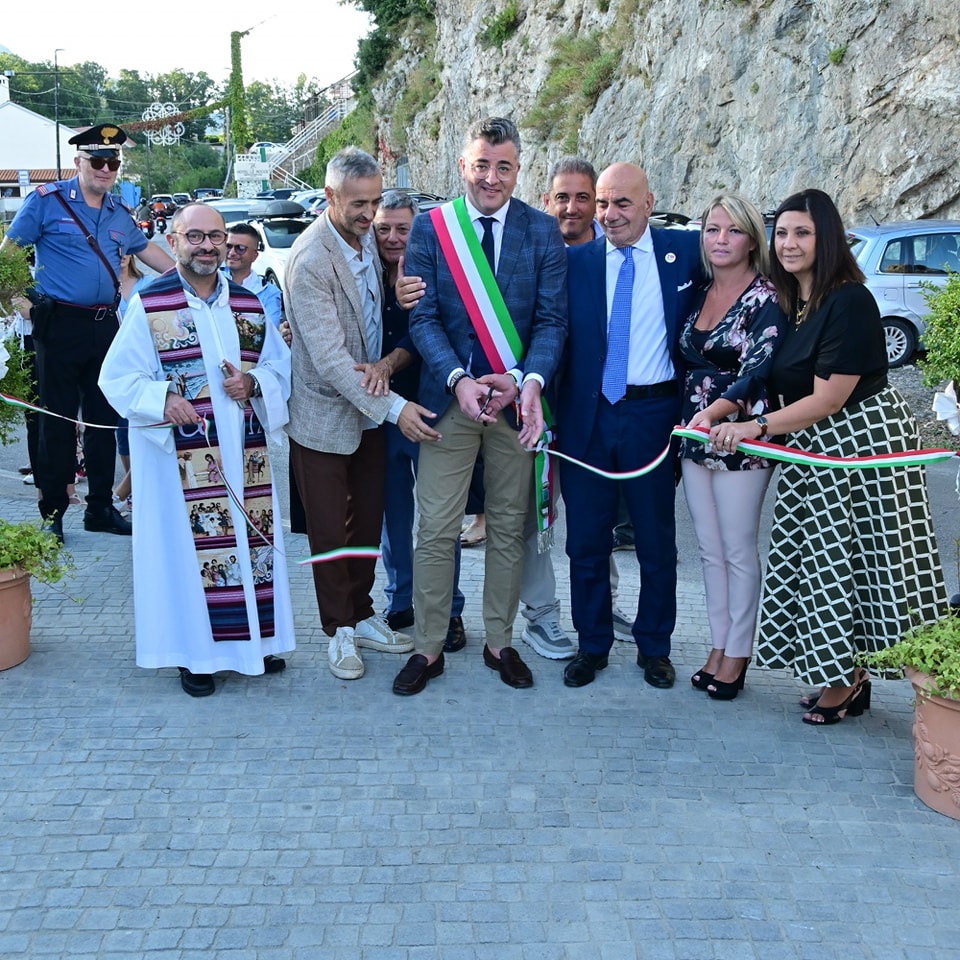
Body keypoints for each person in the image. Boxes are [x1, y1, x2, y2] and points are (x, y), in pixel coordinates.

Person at [710, 188, 948, 723]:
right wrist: (721, 411)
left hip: (860, 443)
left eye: (803, 233)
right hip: (814, 443)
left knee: (859, 562)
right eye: (782, 233)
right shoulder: (794, 300)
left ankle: (855, 681)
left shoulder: (848, 299)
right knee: (824, 561)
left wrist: (753, 427)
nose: (789, 243)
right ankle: (845, 673)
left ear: (829, 239)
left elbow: (830, 398)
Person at [392, 116, 567, 695]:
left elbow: (552, 320)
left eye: (504, 167)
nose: (492, 178)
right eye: (482, 165)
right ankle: (428, 648)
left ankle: (500, 642)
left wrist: (525, 380)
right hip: (451, 401)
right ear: (463, 165)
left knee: (510, 527)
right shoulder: (432, 228)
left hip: (515, 403)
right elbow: (422, 318)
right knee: (436, 528)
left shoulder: (542, 231)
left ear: (518, 170)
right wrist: (458, 380)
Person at [99, 202, 294, 697]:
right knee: (192, 556)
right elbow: (116, 377)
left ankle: (255, 643)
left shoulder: (248, 305)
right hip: (179, 464)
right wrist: (163, 399)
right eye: (195, 237)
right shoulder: (151, 304)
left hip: (244, 455)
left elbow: (280, 368)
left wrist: (254, 383)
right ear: (173, 241)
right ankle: (196, 656)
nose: (207, 246)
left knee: (249, 545)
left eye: (216, 236)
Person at [284, 147, 438, 681]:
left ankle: (363, 613)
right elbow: (330, 361)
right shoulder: (310, 260)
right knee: (330, 533)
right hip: (324, 417)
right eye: (358, 204)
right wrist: (396, 408)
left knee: (367, 524)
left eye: (374, 202)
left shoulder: (366, 237)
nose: (370, 215)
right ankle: (338, 632)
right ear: (330, 196)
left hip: (368, 414)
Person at [558, 162, 703, 690]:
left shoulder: (687, 252)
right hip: (588, 419)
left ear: (648, 203)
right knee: (585, 542)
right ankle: (592, 644)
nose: (609, 214)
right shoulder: (575, 263)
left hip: (653, 417)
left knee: (655, 541)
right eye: (602, 203)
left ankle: (655, 647)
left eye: (622, 203)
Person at [2, 123, 175, 543]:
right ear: (78, 161)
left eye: (112, 163)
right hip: (58, 325)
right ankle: (53, 512)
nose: (105, 169)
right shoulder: (47, 201)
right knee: (57, 422)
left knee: (104, 420)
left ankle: (100, 507)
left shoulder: (118, 211)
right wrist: (22, 303)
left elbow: (149, 253)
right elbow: (8, 257)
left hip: (105, 326)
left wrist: (191, 276)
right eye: (97, 161)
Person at [678, 195, 786, 700]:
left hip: (741, 434)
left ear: (752, 240)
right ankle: (718, 644)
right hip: (695, 433)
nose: (720, 239)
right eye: (712, 229)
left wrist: (715, 413)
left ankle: (738, 653)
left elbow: (758, 369)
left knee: (738, 548)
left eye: (733, 230)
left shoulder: (767, 296)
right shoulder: (699, 291)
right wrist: (695, 421)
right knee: (709, 548)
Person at [364, 191, 470, 652]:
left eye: (402, 228)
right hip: (379, 411)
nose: (392, 237)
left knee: (440, 519)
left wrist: (389, 363)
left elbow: (432, 333)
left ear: (418, 230)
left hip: (431, 407)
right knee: (393, 516)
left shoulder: (436, 270)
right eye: (383, 228)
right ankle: (401, 599)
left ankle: (450, 609)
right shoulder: (363, 272)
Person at [222, 224, 284, 328]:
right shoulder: (211, 282)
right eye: (228, 246)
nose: (232, 253)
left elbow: (269, 331)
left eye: (240, 248)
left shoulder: (268, 293)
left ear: (254, 256)